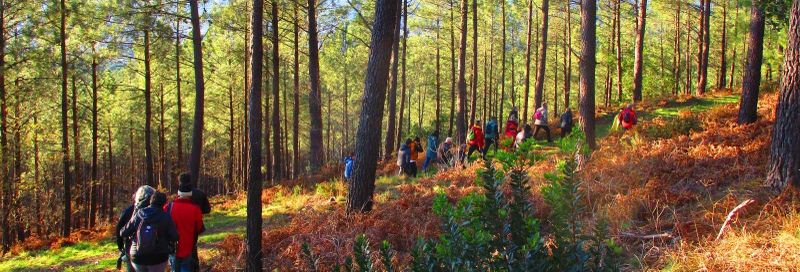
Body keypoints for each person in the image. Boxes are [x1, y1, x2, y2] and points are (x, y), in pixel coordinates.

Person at [119, 192, 179, 272]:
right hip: (158, 257)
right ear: (164, 203)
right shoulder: (166, 217)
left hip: (137, 255)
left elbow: (123, 232)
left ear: (150, 201)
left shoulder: (139, 214)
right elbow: (175, 236)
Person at [116, 185, 156, 272]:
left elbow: (119, 229)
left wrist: (120, 246)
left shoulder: (129, 211)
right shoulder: (157, 211)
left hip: (131, 249)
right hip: (153, 250)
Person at [167, 183, 205, 272]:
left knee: (174, 268)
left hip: (172, 246)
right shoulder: (195, 209)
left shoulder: (169, 207)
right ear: (190, 194)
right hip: (188, 246)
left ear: (178, 193)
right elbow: (199, 228)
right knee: (186, 267)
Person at [177, 173, 210, 271]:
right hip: (195, 225)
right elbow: (207, 209)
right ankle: (194, 268)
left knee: (179, 249)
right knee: (192, 246)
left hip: (180, 224)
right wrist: (198, 212)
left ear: (180, 181)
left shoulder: (179, 193)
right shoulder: (200, 193)